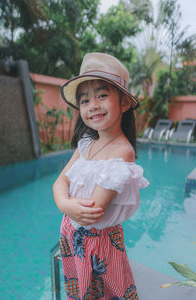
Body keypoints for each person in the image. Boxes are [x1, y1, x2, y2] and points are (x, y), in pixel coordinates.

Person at [53, 52, 149, 300]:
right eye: (84, 100)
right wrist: (63, 203)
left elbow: (91, 213)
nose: (93, 105)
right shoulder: (86, 143)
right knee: (78, 289)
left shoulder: (122, 153)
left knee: (102, 293)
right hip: (72, 234)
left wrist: (66, 205)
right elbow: (60, 182)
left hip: (97, 245)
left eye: (102, 95)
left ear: (124, 103)